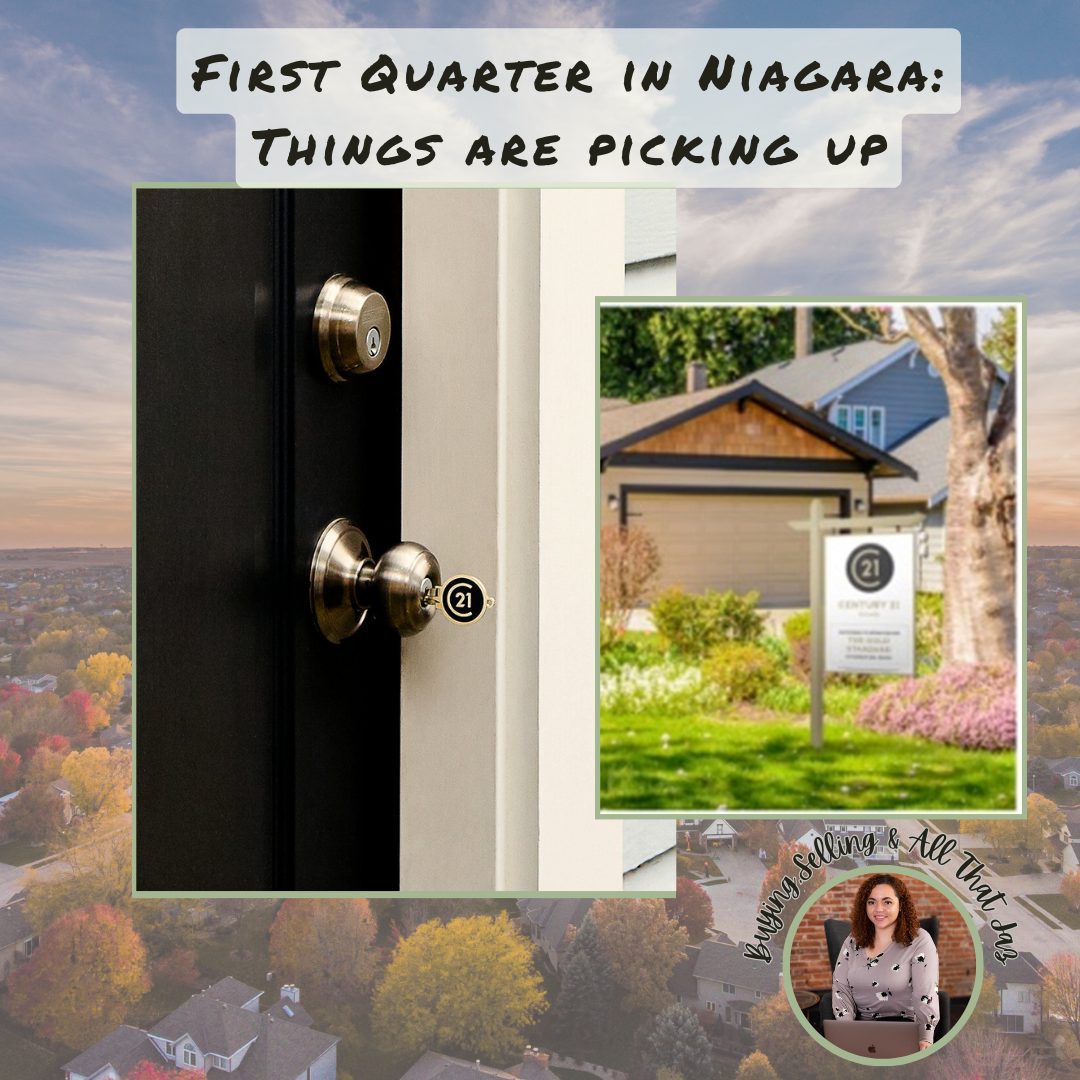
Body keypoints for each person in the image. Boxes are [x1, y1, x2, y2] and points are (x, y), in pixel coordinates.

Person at [831, 874, 940, 1050]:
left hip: (905, 1031)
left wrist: (925, 1038)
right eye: (871, 902)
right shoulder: (853, 940)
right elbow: (840, 988)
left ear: (901, 905)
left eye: (887, 902)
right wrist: (847, 1032)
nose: (878, 909)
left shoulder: (920, 940)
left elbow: (925, 994)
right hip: (860, 1032)